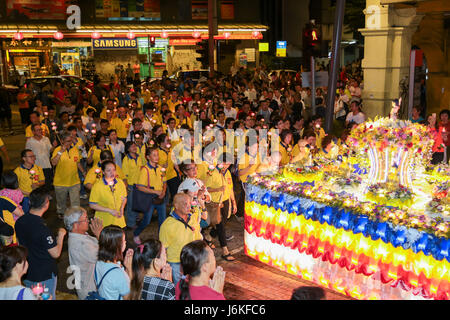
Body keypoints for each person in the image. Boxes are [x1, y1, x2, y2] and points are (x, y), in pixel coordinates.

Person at [15, 187, 66, 300]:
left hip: (28, 271)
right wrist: (61, 236)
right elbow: (56, 253)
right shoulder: (43, 229)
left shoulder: (19, 221)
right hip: (44, 274)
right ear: (46, 205)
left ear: (29, 202)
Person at [159, 193, 203, 285]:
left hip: (192, 260)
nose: (188, 206)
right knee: (179, 289)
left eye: (189, 203)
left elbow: (198, 239)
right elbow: (163, 249)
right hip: (176, 264)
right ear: (176, 206)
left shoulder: (192, 219)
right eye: (184, 204)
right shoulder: (167, 225)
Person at [64, 206, 103, 300]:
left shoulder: (80, 235)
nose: (88, 221)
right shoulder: (81, 244)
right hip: (91, 290)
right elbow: (104, 255)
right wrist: (99, 235)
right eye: (85, 219)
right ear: (76, 225)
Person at [134, 147, 167, 243]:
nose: (157, 157)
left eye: (157, 155)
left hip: (160, 198)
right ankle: (136, 233)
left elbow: (164, 182)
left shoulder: (161, 169)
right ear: (148, 157)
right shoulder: (145, 170)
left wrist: (163, 191)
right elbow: (140, 187)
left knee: (162, 220)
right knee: (146, 221)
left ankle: (162, 239)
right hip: (149, 198)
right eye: (154, 155)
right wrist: (155, 192)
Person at [94, 225, 133, 300]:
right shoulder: (117, 274)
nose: (126, 242)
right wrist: (129, 268)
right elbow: (129, 297)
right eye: (123, 240)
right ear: (117, 245)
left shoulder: (99, 263)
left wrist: (122, 266)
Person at [51, 131, 84, 218]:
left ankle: (76, 217)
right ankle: (61, 213)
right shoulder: (57, 150)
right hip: (60, 182)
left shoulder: (75, 149)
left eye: (71, 140)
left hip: (74, 181)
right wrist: (61, 152)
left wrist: (84, 172)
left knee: (76, 203)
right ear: (62, 141)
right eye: (68, 141)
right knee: (61, 202)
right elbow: (54, 163)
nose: (70, 142)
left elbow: (78, 162)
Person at [89, 160, 127, 228]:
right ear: (103, 172)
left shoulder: (120, 182)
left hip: (118, 220)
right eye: (108, 170)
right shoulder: (97, 185)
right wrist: (109, 211)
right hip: (104, 221)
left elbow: (124, 198)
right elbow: (92, 204)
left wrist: (122, 208)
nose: (112, 173)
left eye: (114, 170)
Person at [25, 123, 56, 189]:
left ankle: (46, 197)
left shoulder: (46, 139)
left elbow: (50, 150)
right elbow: (27, 154)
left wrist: (54, 146)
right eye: (38, 130)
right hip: (36, 166)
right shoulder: (30, 141)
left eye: (41, 129)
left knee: (47, 183)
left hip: (46, 165)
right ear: (33, 132)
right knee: (38, 184)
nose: (40, 131)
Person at [122, 142, 141, 229]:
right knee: (131, 204)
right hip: (131, 185)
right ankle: (130, 223)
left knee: (137, 203)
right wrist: (126, 187)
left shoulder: (139, 157)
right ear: (128, 149)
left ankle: (135, 218)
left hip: (139, 184)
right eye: (132, 146)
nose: (134, 147)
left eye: (135, 145)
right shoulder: (126, 159)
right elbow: (124, 175)